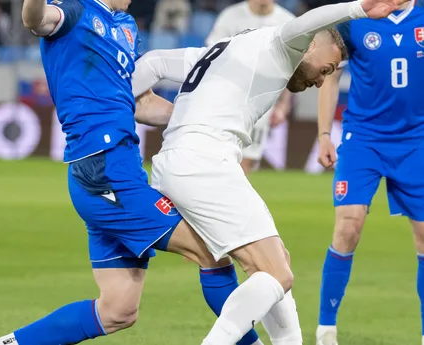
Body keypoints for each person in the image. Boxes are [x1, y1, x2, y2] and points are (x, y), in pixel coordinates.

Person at [0, 1, 266, 345]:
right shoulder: (75, 11)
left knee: (118, 310)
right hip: (104, 171)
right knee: (211, 252)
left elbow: (142, 103)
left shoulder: (125, 25)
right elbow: (33, 19)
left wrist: (208, 118)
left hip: (120, 169)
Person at [132, 0, 405, 344]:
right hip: (205, 165)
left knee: (274, 267)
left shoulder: (228, 48)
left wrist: (115, 106)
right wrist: (359, 9)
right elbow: (309, 22)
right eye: (327, 68)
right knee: (277, 273)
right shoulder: (283, 44)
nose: (323, 81)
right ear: (311, 45)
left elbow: (154, 62)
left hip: (176, 161)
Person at [315, 1, 424, 344]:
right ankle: (326, 330)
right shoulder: (355, 16)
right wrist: (323, 135)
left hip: (417, 140)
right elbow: (329, 75)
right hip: (364, 138)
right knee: (348, 226)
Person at [206, 0, 295, 175]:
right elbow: (212, 55)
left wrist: (283, 104)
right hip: (228, 98)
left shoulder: (288, 21)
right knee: (219, 156)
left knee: (248, 159)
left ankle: (234, 199)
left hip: (263, 100)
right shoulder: (230, 17)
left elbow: (290, 67)